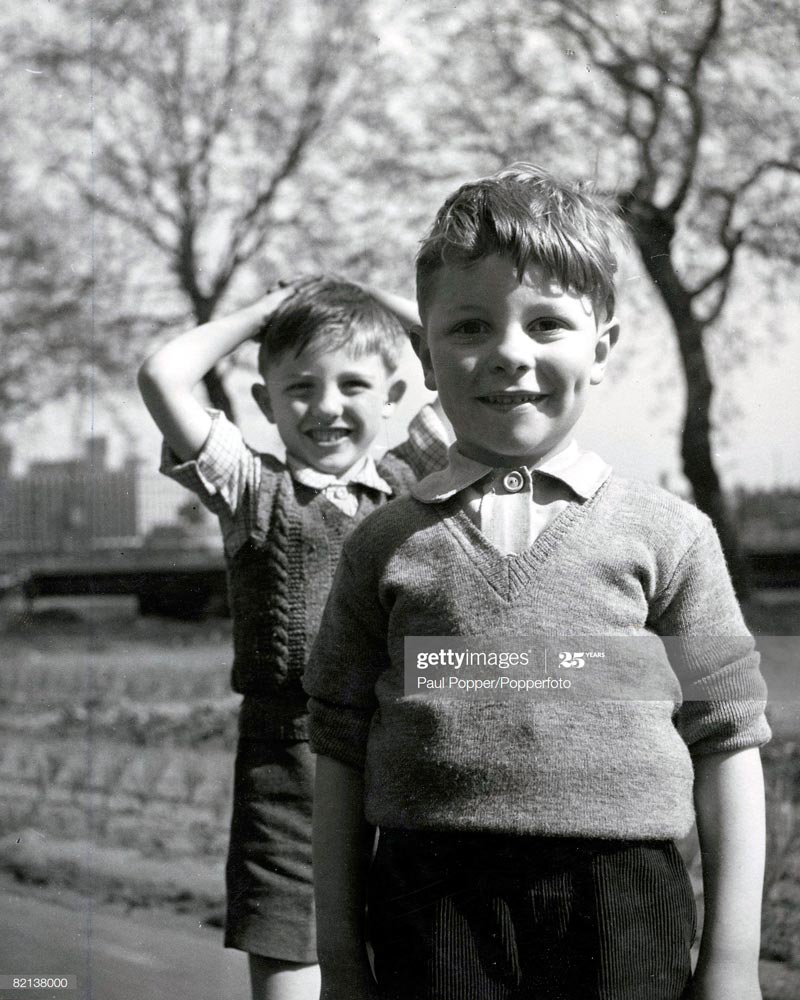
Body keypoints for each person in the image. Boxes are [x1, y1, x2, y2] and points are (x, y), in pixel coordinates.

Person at [305, 165, 770, 1000]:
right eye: (472, 326)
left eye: (548, 323)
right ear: (426, 352)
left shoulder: (671, 537)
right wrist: (339, 959)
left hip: (624, 904)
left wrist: (732, 964)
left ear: (601, 347)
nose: (510, 354)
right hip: (429, 899)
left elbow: (728, 738)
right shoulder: (382, 546)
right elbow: (339, 745)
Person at [137, 276, 449, 1000]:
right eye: (300, 387)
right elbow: (163, 376)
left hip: (408, 765)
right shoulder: (252, 489)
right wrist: (260, 316)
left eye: (353, 384)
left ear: (394, 399)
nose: (328, 407)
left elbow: (449, 356)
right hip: (288, 782)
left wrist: (363, 294)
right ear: (264, 403)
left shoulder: (415, 481)